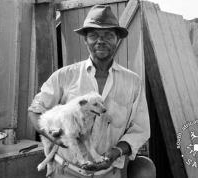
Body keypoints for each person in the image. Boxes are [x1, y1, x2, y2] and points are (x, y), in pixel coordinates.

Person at [28, 4, 151, 178]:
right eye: (93, 35)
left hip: (109, 172)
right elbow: (35, 110)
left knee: (146, 168)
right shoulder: (64, 76)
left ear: (117, 39)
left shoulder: (132, 82)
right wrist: (53, 136)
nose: (101, 40)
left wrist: (115, 152)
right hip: (65, 171)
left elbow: (140, 129)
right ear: (85, 40)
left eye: (108, 35)